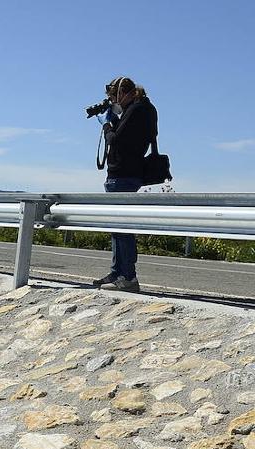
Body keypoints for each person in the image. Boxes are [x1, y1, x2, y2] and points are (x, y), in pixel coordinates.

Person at [93, 76, 158, 293]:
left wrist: (107, 125)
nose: (113, 100)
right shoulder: (145, 109)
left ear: (122, 92)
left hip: (123, 174)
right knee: (117, 227)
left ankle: (127, 276)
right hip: (128, 173)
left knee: (121, 228)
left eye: (113, 96)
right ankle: (117, 272)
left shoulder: (137, 110)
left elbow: (117, 140)